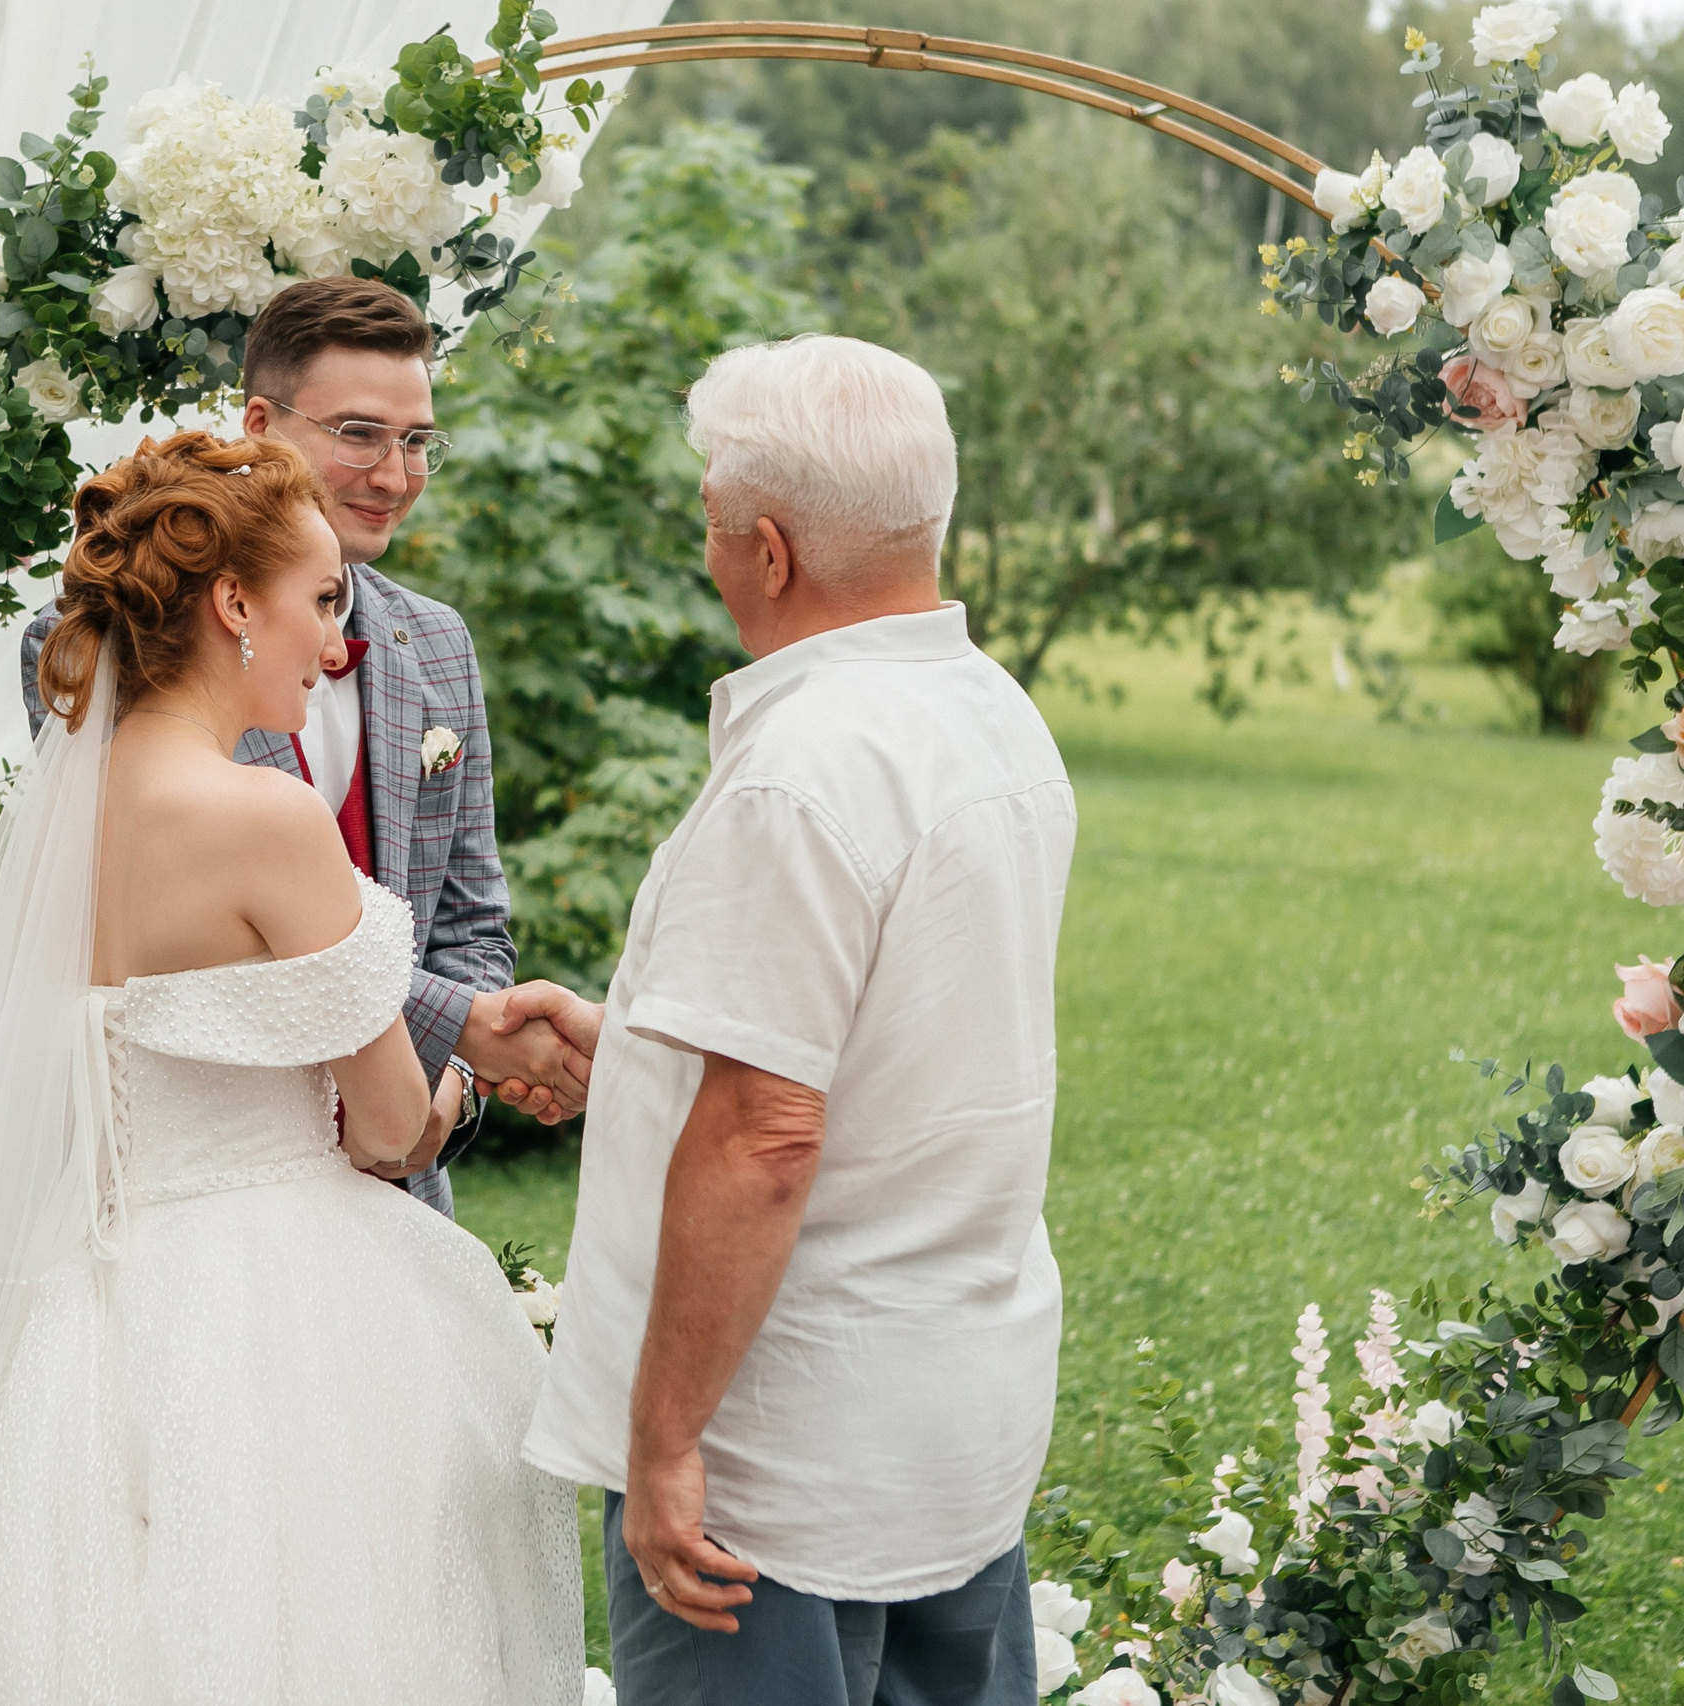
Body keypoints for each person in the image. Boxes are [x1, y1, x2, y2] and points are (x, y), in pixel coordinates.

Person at [0, 432, 585, 1703]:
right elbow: (390, 1129)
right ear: (236, 602)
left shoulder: (66, 813)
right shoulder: (265, 816)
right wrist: (474, 1080)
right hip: (278, 1303)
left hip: (78, 1301)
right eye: (320, 600)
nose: (334, 645)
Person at [520, 336, 1078, 1706]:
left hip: (781, 1454)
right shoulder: (995, 714)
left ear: (767, 550)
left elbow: (767, 1134)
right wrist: (651, 1044)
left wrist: (662, 1446)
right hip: (956, 1402)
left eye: (711, 524)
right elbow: (907, 1030)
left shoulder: (804, 764)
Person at [22, 277, 588, 1218]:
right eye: (361, 434)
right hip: (194, 1178)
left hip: (405, 1186)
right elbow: (187, 946)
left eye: (418, 443)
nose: (395, 475)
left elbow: (473, 921)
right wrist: (471, 1034)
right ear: (262, 421)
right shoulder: (103, 636)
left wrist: (451, 1087)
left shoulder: (438, 641)